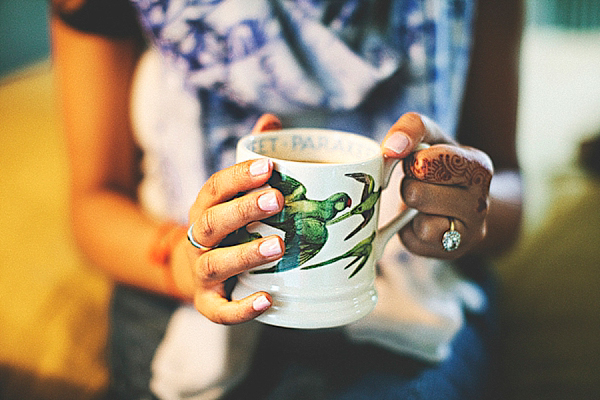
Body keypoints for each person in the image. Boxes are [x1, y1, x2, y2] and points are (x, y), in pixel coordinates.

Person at [50, 0, 524, 398]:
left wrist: (463, 215)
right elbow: (94, 200)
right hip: (174, 289)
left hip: (414, 300)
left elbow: (507, 186)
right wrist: (188, 260)